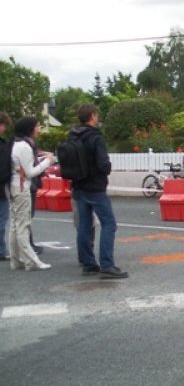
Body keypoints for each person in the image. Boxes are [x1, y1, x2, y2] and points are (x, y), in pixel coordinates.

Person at [70, 104, 128, 278]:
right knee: (109, 223)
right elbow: (103, 164)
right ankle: (107, 265)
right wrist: (107, 167)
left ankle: (88, 263)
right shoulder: (95, 138)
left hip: (79, 185)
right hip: (95, 186)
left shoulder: (73, 136)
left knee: (84, 225)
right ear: (93, 116)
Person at [8, 116, 53, 271]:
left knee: (15, 225)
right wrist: (47, 161)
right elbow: (30, 172)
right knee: (23, 225)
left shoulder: (15, 143)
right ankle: (31, 261)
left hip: (13, 186)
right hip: (22, 187)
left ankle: (16, 260)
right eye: (37, 126)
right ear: (30, 129)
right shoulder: (25, 147)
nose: (39, 129)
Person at [0, 112, 11, 262]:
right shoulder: (2, 145)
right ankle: (1, 250)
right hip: (0, 188)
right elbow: (3, 169)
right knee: (2, 219)